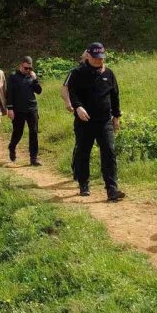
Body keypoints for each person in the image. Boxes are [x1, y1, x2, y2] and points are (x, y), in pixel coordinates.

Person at [63, 43, 126, 201]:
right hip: (85, 121)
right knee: (84, 152)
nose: (99, 61)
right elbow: (72, 92)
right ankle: (84, 183)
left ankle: (112, 189)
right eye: (96, 58)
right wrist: (77, 107)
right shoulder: (77, 73)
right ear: (88, 56)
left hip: (105, 121)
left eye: (102, 58)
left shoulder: (109, 73)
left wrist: (116, 116)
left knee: (109, 152)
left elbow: (115, 96)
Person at [7, 55, 43, 166]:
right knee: (18, 132)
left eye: (30, 68)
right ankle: (12, 146)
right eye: (26, 68)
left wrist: (35, 79)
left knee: (34, 132)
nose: (27, 70)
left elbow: (39, 91)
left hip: (32, 108)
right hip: (18, 110)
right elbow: (9, 94)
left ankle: (34, 158)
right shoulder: (13, 77)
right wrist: (10, 109)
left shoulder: (31, 77)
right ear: (20, 65)